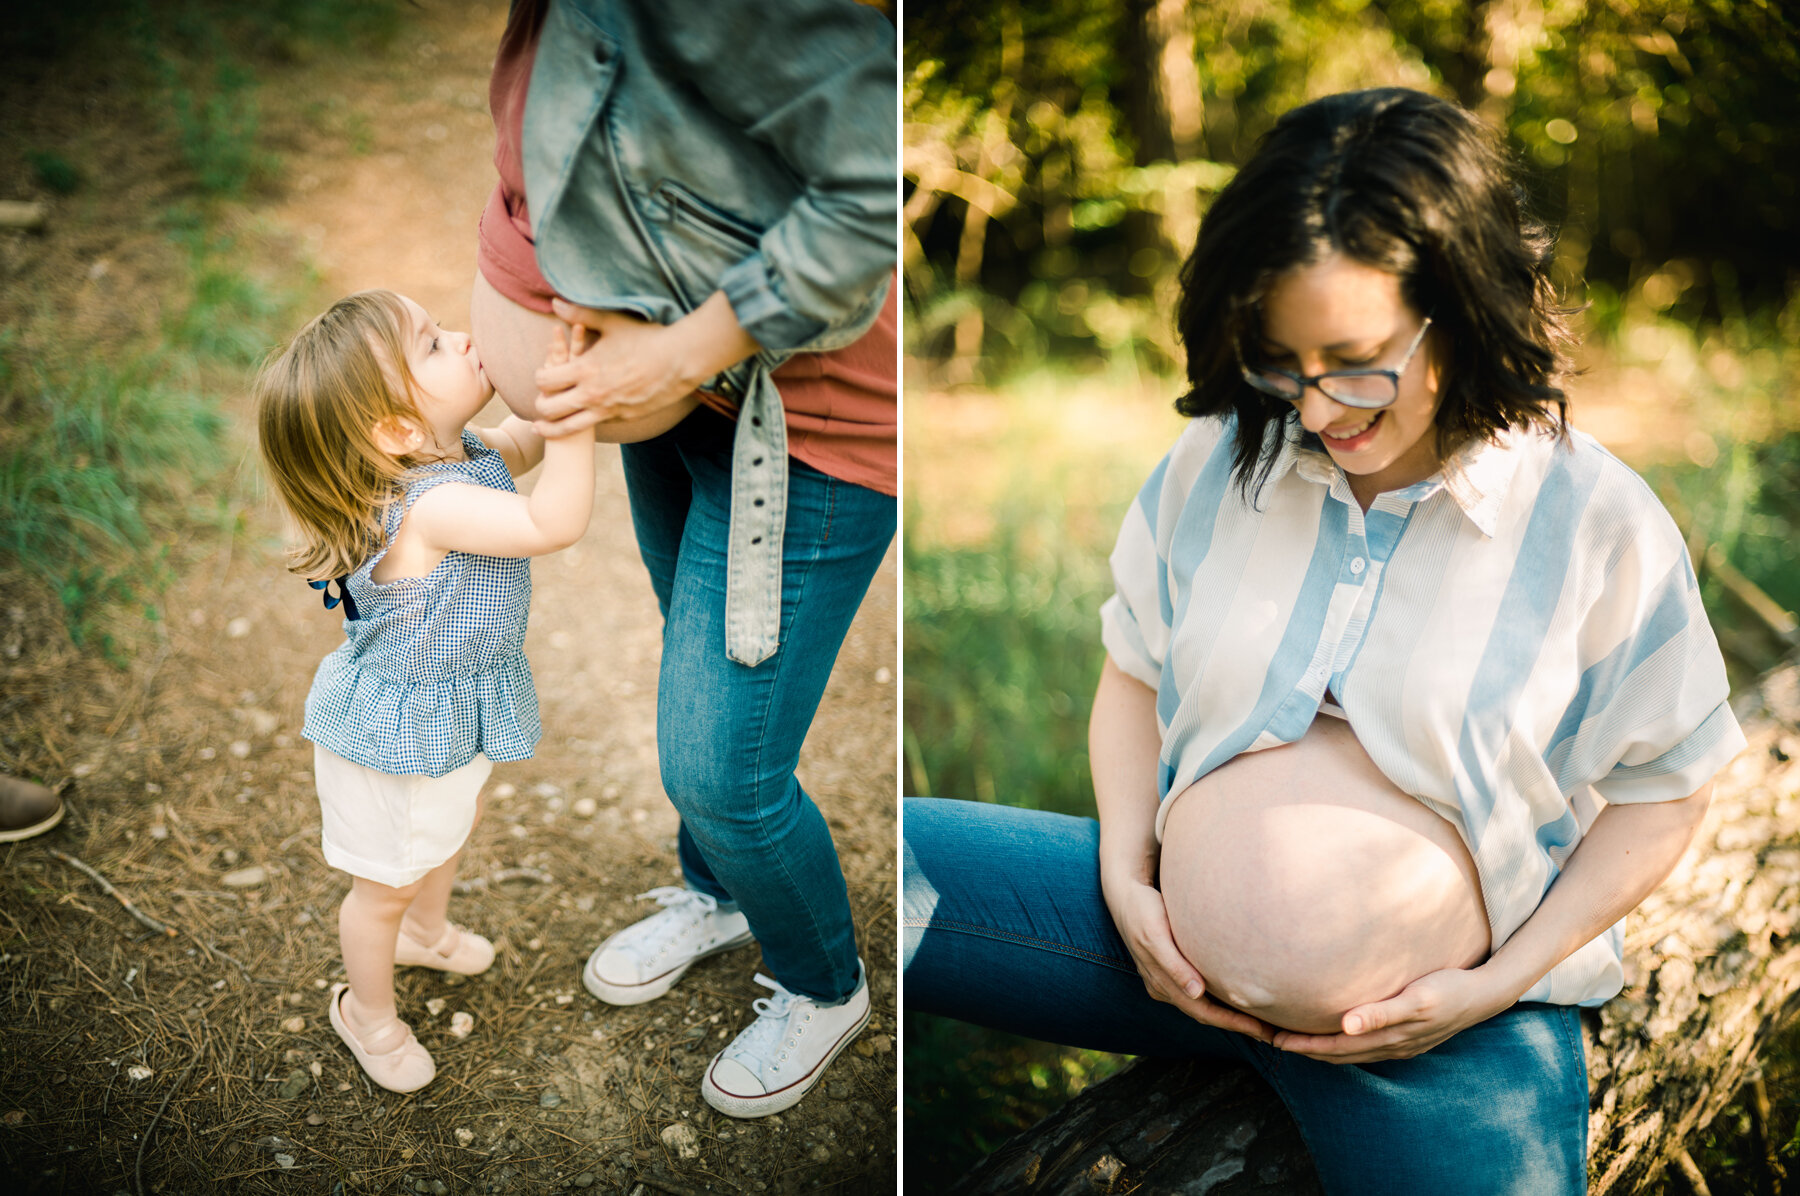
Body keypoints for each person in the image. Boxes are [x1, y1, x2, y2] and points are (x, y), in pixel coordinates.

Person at [904, 87, 1745, 1194]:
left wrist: (1497, 984)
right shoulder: (1216, 462)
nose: (1312, 409)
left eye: (1353, 361)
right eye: (1275, 360)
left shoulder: (1594, 520)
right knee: (881, 857)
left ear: (1464, 305)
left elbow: (1667, 788)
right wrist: (1127, 875)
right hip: (1142, 949)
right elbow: (1133, 670)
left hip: (1443, 1030)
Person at [467, 0, 897, 1118]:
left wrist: (677, 352)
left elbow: (865, 200)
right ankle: (718, 892)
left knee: (723, 765)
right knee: (695, 665)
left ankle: (825, 983)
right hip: (672, 404)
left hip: (811, 432)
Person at [254, 290, 630, 1092]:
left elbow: (520, 440)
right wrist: (578, 421)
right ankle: (368, 1012)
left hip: (449, 714)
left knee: (449, 831)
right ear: (393, 430)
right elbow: (552, 521)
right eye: (432, 347)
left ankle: (426, 932)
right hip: (397, 738)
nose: (462, 340)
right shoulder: (431, 504)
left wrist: (553, 377)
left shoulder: (452, 452)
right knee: (381, 887)